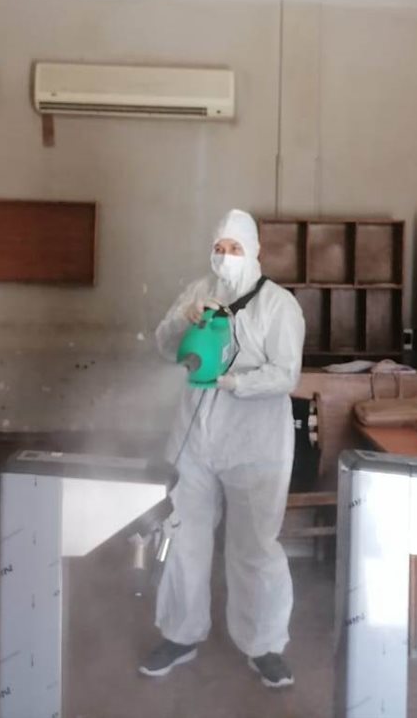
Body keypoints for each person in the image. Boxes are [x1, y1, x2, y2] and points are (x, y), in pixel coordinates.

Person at [139, 209, 305, 689]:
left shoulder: (278, 305)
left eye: (234, 248)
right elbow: (165, 346)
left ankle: (264, 645)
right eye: (219, 248)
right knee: (182, 533)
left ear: (253, 251)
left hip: (255, 439)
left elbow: (286, 374)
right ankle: (180, 634)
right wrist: (183, 321)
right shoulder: (198, 292)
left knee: (254, 543)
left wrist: (234, 383)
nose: (225, 257)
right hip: (193, 433)